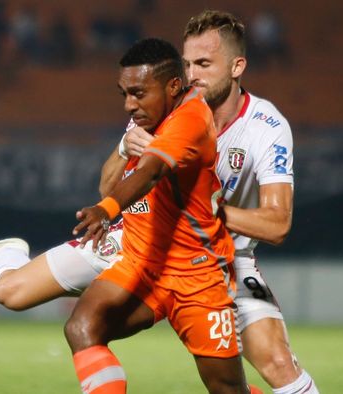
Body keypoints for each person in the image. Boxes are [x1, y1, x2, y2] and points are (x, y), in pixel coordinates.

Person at [0, 10, 319, 394]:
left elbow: (276, 224)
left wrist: (207, 212)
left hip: (218, 259)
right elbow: (109, 186)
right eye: (187, 64)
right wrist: (123, 147)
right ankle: (4, 254)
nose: (192, 74)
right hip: (133, 240)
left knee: (276, 363)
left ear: (237, 67)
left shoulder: (265, 127)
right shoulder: (157, 107)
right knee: (12, 294)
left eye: (203, 63)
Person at [69, 37, 246, 394]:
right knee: (82, 327)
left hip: (198, 275)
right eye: (123, 94)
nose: (128, 105)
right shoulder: (149, 119)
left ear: (173, 86)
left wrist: (105, 211)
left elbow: (149, 171)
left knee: (227, 390)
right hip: (144, 262)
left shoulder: (191, 119)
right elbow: (111, 182)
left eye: (138, 93)